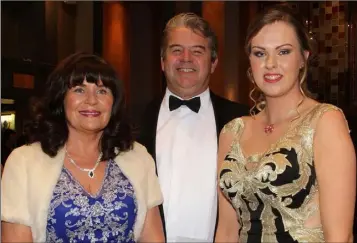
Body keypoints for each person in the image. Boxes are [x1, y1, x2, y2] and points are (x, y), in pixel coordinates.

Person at [216, 5, 356, 243]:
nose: (270, 63)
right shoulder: (232, 131)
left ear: (304, 58)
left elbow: (340, 237)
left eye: (283, 52)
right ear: (250, 61)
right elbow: (227, 231)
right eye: (260, 53)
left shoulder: (325, 121)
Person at [1, 52, 165, 242]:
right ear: (61, 99)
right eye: (79, 90)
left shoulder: (138, 156)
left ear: (114, 103)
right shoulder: (23, 162)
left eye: (102, 91)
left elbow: (153, 237)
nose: (91, 100)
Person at [138, 13, 249, 242]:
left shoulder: (243, 122)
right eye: (176, 50)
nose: (186, 58)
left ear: (213, 63)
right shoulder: (132, 121)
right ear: (162, 61)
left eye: (197, 51)